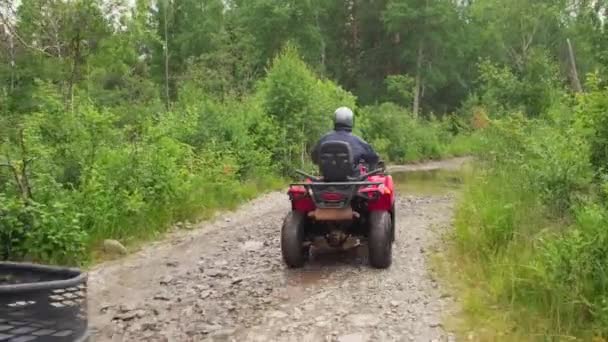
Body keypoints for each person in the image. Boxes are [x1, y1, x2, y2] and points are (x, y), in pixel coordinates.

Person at [311, 106, 380, 171]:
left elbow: (314, 158)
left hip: (326, 180)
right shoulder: (358, 142)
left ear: (335, 120)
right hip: (353, 181)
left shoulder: (323, 140)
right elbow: (374, 158)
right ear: (351, 121)